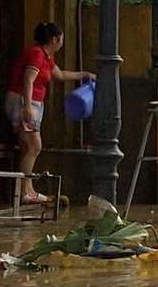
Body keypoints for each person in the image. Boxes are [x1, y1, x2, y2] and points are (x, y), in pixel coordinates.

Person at [6, 21, 93, 203]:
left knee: (27, 147)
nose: (62, 42)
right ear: (54, 39)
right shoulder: (37, 54)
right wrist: (28, 106)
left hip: (34, 102)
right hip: (24, 101)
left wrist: (85, 74)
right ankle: (25, 191)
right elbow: (28, 80)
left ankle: (27, 189)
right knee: (35, 146)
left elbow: (60, 75)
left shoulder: (47, 57)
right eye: (61, 38)